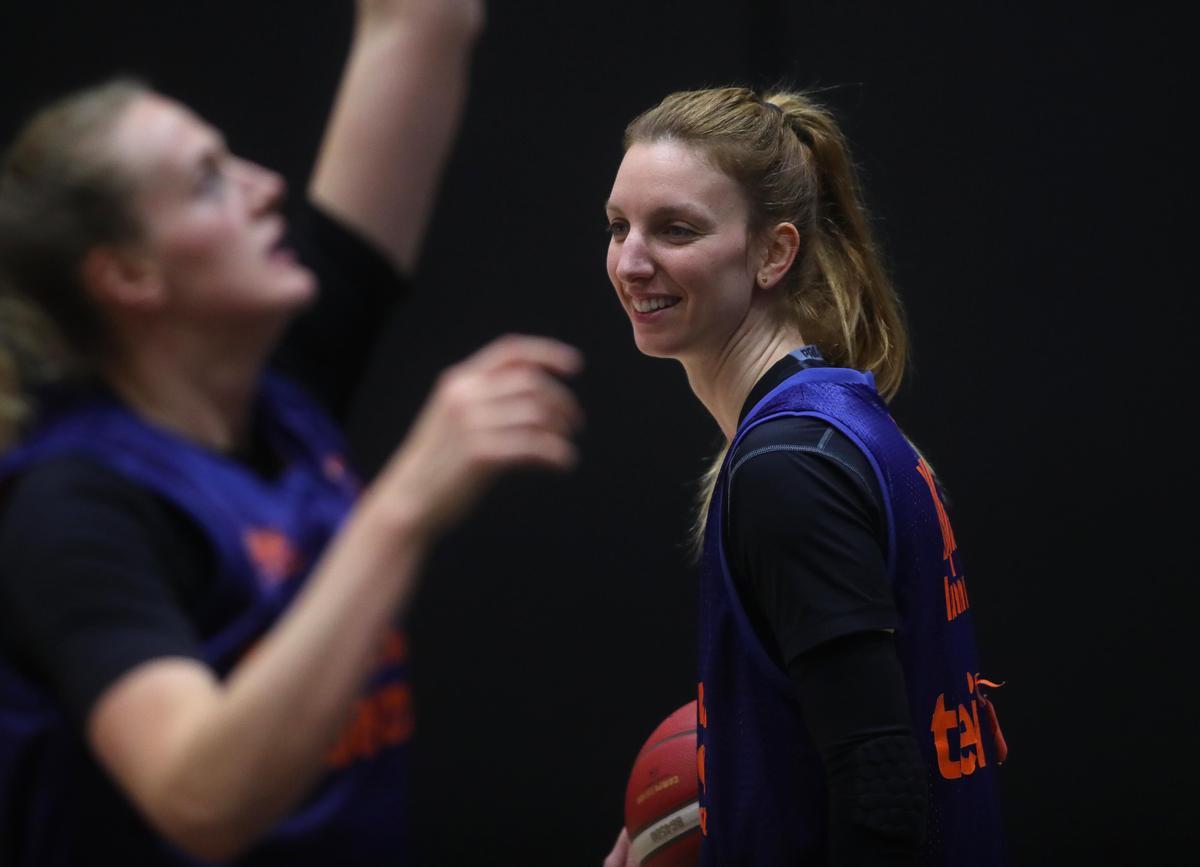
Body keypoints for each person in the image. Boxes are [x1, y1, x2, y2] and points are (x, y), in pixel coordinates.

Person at [0, 1, 583, 864]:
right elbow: (198, 798)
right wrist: (402, 508)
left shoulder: (276, 397)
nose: (264, 185)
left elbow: (424, 19)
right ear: (126, 273)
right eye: (208, 179)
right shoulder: (72, 507)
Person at [601, 87, 1007, 866]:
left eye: (675, 228)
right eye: (619, 226)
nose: (631, 259)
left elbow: (882, 797)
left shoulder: (788, 470)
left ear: (773, 252)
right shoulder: (840, 419)